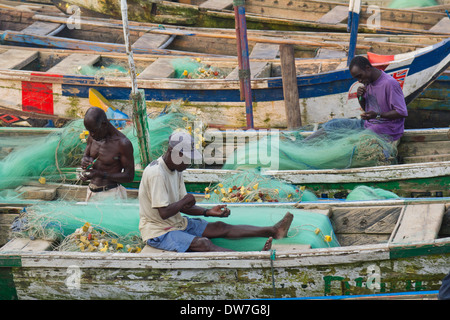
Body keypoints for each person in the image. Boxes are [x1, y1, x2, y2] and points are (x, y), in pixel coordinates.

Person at [138, 131, 294, 252]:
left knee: (220, 226)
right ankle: (250, 258)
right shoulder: (157, 173)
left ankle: (274, 231)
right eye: (187, 159)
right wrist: (185, 201)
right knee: (203, 243)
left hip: (177, 223)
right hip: (158, 232)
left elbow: (184, 207)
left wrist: (208, 212)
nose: (188, 164)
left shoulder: (175, 170)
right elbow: (164, 213)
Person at [80, 107, 135, 201]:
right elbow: (86, 156)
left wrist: (102, 174)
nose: (91, 134)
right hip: (91, 192)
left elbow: (129, 176)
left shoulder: (122, 143)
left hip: (111, 195)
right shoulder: (93, 136)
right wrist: (84, 161)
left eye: (93, 131)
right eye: (89, 131)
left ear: (104, 124)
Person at [350, 55, 408, 143]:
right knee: (333, 124)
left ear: (368, 68)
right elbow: (367, 109)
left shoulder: (390, 84)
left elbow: (402, 112)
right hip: (369, 124)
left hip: (388, 128)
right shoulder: (367, 82)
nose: (359, 80)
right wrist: (360, 97)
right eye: (357, 78)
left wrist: (377, 115)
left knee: (353, 141)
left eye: (360, 76)